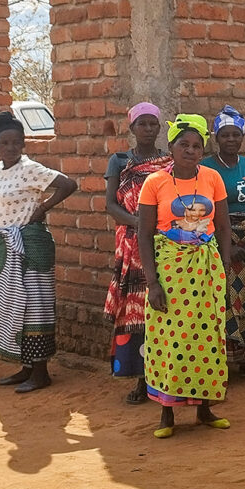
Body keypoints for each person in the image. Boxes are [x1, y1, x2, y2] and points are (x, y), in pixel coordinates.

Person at [137, 113, 232, 438]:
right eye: (184, 144)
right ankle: (167, 413)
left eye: (196, 145)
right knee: (168, 339)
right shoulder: (155, 183)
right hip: (169, 270)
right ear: (172, 147)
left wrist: (224, 267)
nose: (190, 150)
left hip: (205, 268)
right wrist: (152, 283)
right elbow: (144, 234)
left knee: (207, 337)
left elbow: (223, 226)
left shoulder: (212, 178)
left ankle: (205, 410)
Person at [0, 111, 77, 392]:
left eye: (17, 142)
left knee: (35, 307)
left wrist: (42, 208)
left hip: (31, 245)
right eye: (5, 143)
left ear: (23, 144)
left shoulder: (31, 168)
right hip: (7, 244)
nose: (12, 147)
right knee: (15, 306)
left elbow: (68, 184)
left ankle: (40, 372)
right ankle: (26, 367)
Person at [104, 102, 171, 404]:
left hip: (167, 245)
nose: (147, 129)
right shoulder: (119, 161)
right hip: (133, 245)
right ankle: (142, 380)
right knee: (136, 311)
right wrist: (140, 223)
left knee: (164, 307)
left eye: (152, 124)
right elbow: (111, 205)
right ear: (131, 128)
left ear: (159, 128)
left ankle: (167, 378)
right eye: (141, 124)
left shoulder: (170, 162)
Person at [201, 105, 245, 379]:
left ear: (242, 136)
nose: (231, 140)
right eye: (225, 135)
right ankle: (222, 363)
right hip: (220, 243)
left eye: (236, 135)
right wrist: (227, 245)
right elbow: (204, 209)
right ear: (216, 137)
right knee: (224, 300)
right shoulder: (206, 167)